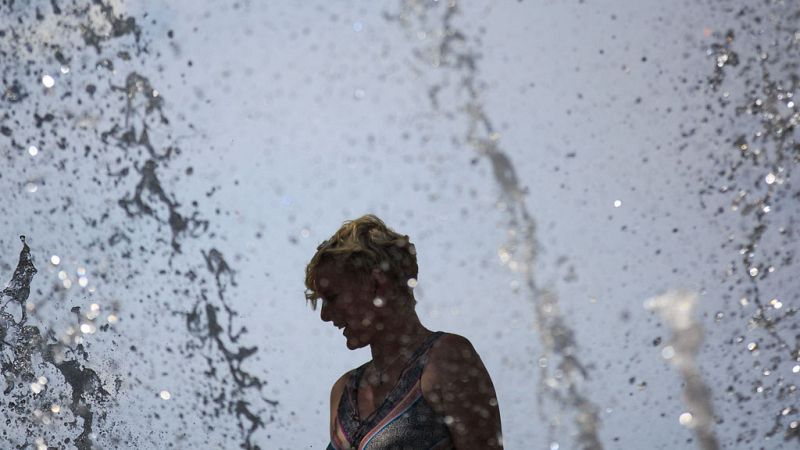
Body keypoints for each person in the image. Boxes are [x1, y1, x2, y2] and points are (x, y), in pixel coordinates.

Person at [304, 214, 503, 449]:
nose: (325, 315)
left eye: (333, 297)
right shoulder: (343, 392)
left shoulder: (447, 360)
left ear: (377, 284)